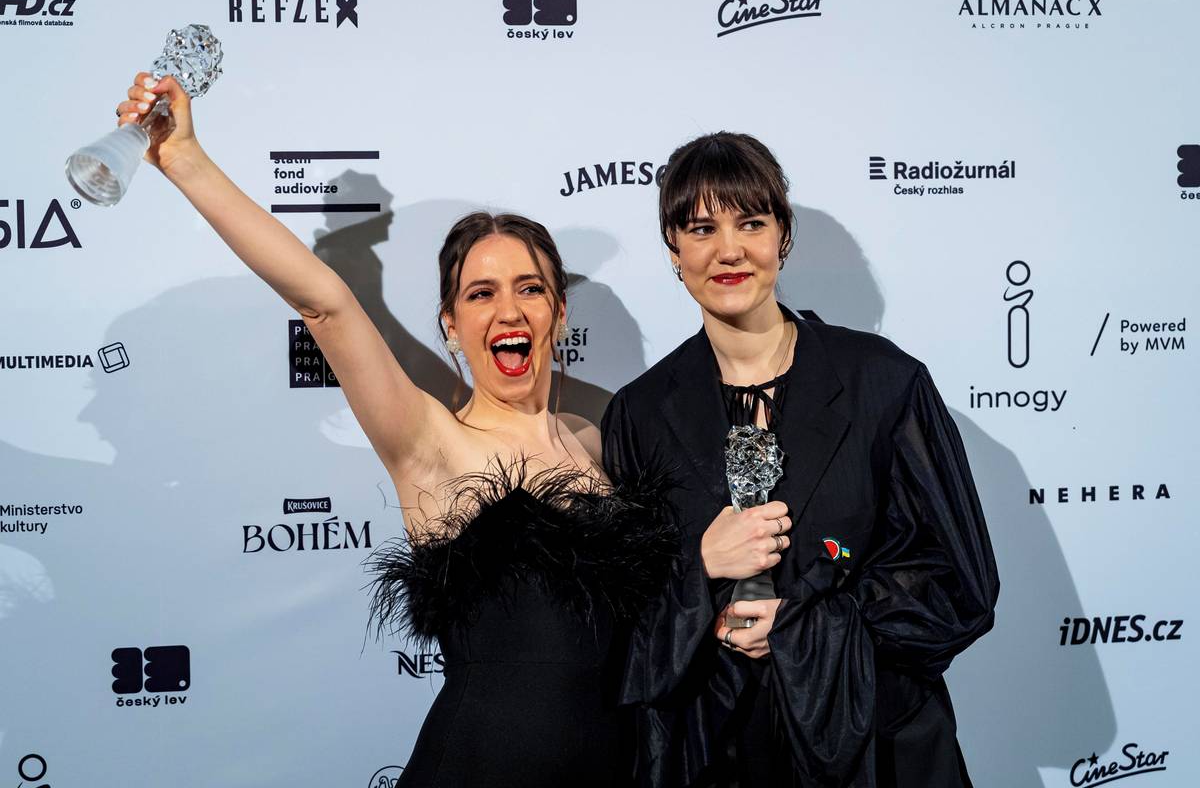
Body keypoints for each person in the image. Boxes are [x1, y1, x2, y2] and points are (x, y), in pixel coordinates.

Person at [115, 73, 674, 787]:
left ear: (559, 314)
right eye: (481, 294)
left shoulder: (596, 439)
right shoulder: (430, 443)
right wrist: (185, 159)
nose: (508, 311)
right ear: (452, 326)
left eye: (530, 289)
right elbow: (327, 307)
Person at [602, 132, 1000, 788]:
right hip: (717, 755)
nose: (729, 250)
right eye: (701, 229)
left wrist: (803, 629)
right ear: (674, 249)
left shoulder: (883, 383)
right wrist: (701, 570)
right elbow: (623, 627)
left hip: (875, 749)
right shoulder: (639, 415)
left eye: (751, 223)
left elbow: (960, 583)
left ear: (782, 237)